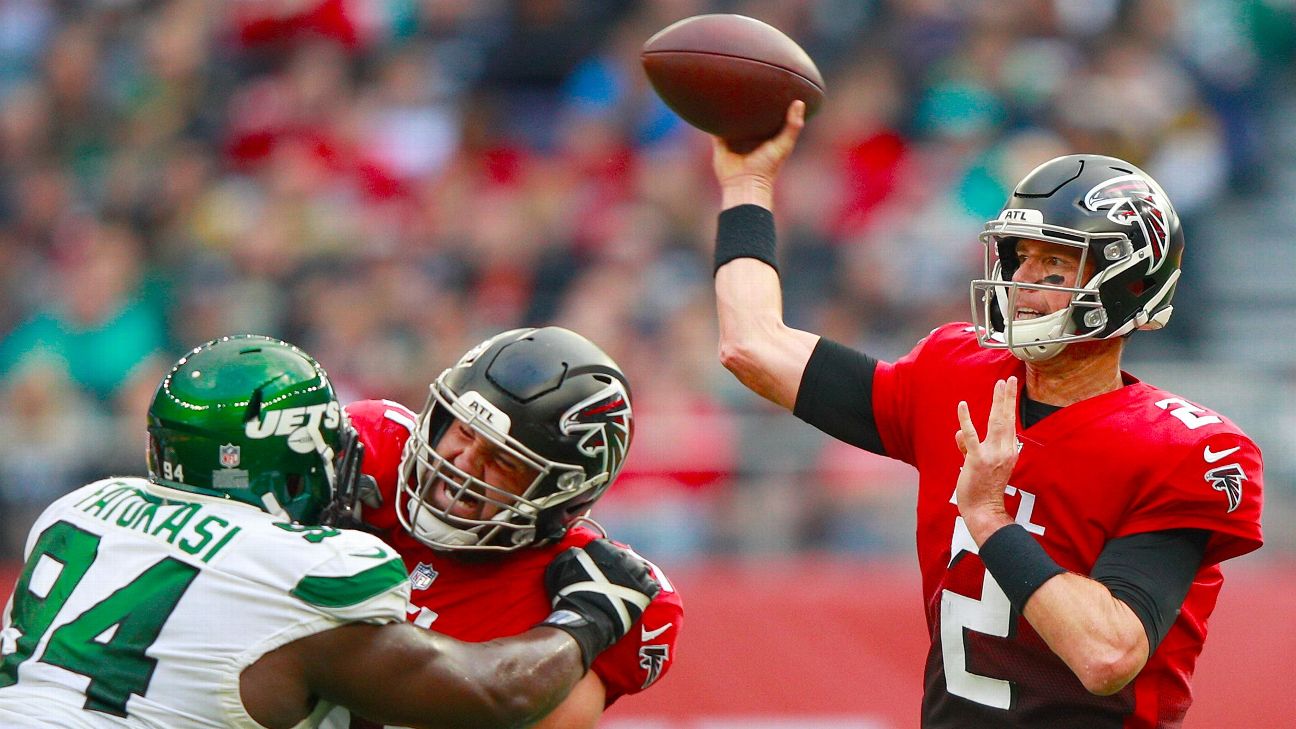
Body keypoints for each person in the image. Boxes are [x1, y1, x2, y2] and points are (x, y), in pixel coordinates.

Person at [706, 102, 1263, 728]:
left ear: (1130, 285)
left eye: (1054, 265)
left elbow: (1108, 652)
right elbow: (752, 344)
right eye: (1018, 258)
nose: (1023, 282)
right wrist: (748, 183)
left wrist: (990, 520)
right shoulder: (956, 372)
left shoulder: (1185, 447)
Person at [0, 334, 661, 729]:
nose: (460, 466)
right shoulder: (312, 568)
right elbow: (498, 691)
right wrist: (586, 621)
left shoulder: (81, 506)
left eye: (503, 459)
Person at [336, 326, 683, 729]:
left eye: (503, 460)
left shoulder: (594, 589)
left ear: (563, 494)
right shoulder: (371, 450)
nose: (463, 461)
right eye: (465, 430)